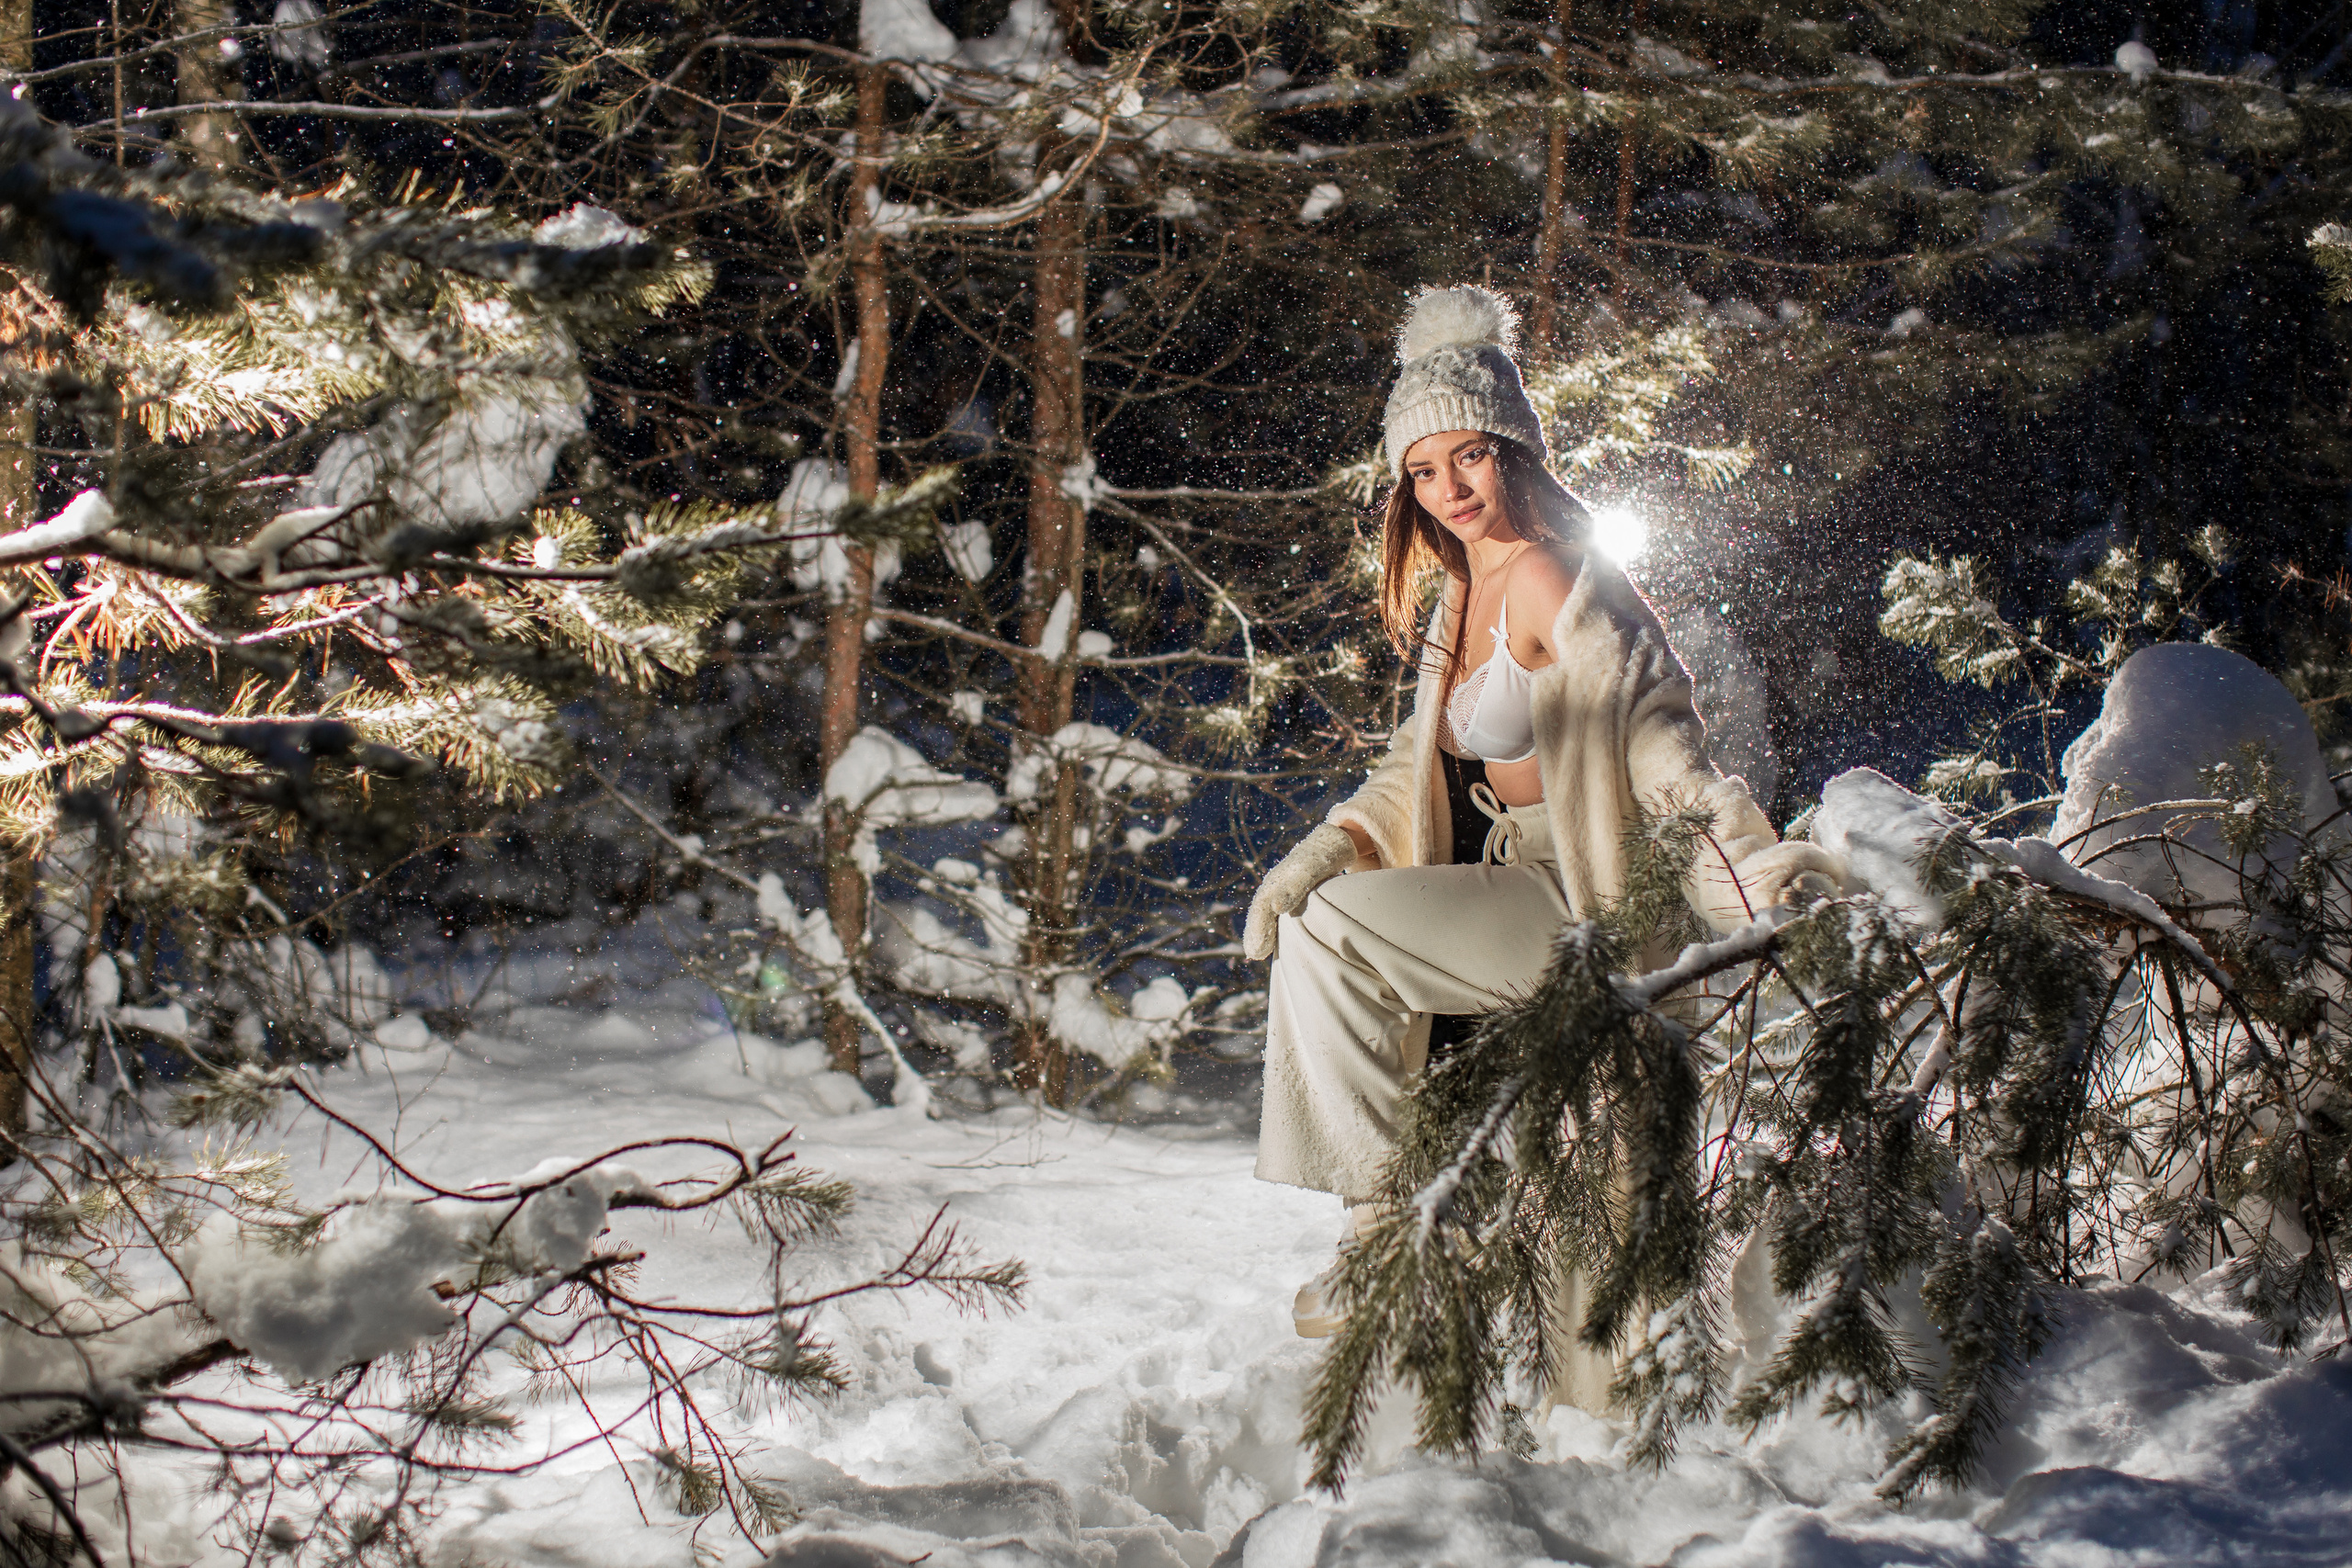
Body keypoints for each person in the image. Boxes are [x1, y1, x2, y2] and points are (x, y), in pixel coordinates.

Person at [1243, 284, 1844, 1409]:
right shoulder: (1448, 601)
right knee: (1328, 928)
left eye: (1467, 456)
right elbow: (1409, 765)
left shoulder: (1557, 576)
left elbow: (1663, 749)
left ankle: (1399, 1226)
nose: (1448, 490)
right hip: (1500, 893)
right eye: (1421, 472)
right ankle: (1406, 1231)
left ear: (1513, 446)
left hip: (1585, 902)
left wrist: (1752, 880)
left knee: (1339, 944)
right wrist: (1328, 847)